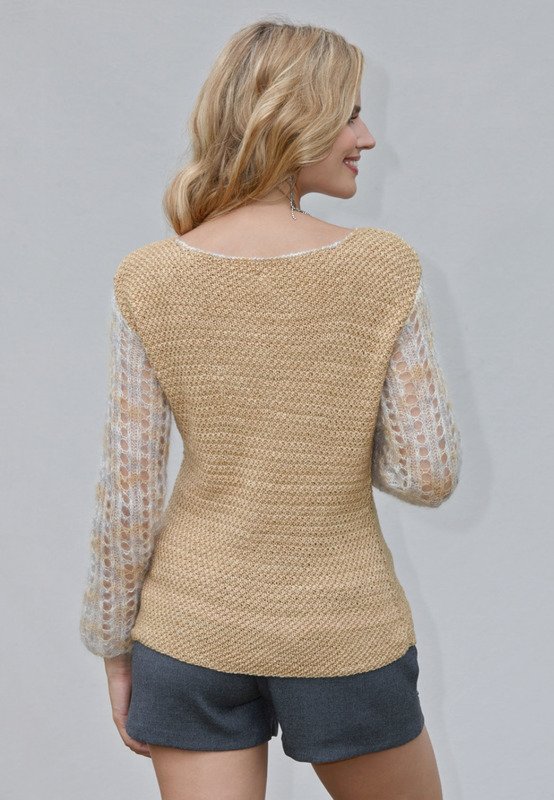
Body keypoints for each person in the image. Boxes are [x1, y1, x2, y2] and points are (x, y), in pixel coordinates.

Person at [79, 17, 461, 800]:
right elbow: (427, 473)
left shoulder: (147, 278)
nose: (367, 137)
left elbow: (128, 495)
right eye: (351, 115)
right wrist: (329, 432)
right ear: (295, 118)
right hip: (341, 630)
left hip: (188, 633)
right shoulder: (383, 268)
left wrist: (114, 647)